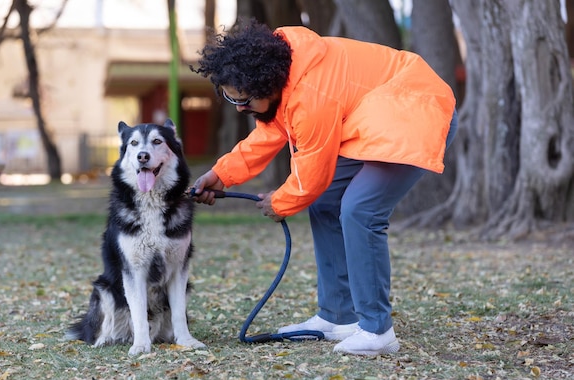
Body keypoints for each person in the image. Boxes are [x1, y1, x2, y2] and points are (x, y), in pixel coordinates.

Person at [190, 20, 458, 356]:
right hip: (377, 116)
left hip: (416, 111)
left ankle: (377, 331)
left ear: (267, 85)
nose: (240, 108)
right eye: (230, 99)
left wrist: (280, 202)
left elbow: (312, 174)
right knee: (327, 201)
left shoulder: (311, 94)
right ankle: (338, 316)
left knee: (361, 210)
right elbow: (270, 132)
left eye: (244, 101)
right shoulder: (284, 78)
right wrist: (222, 174)